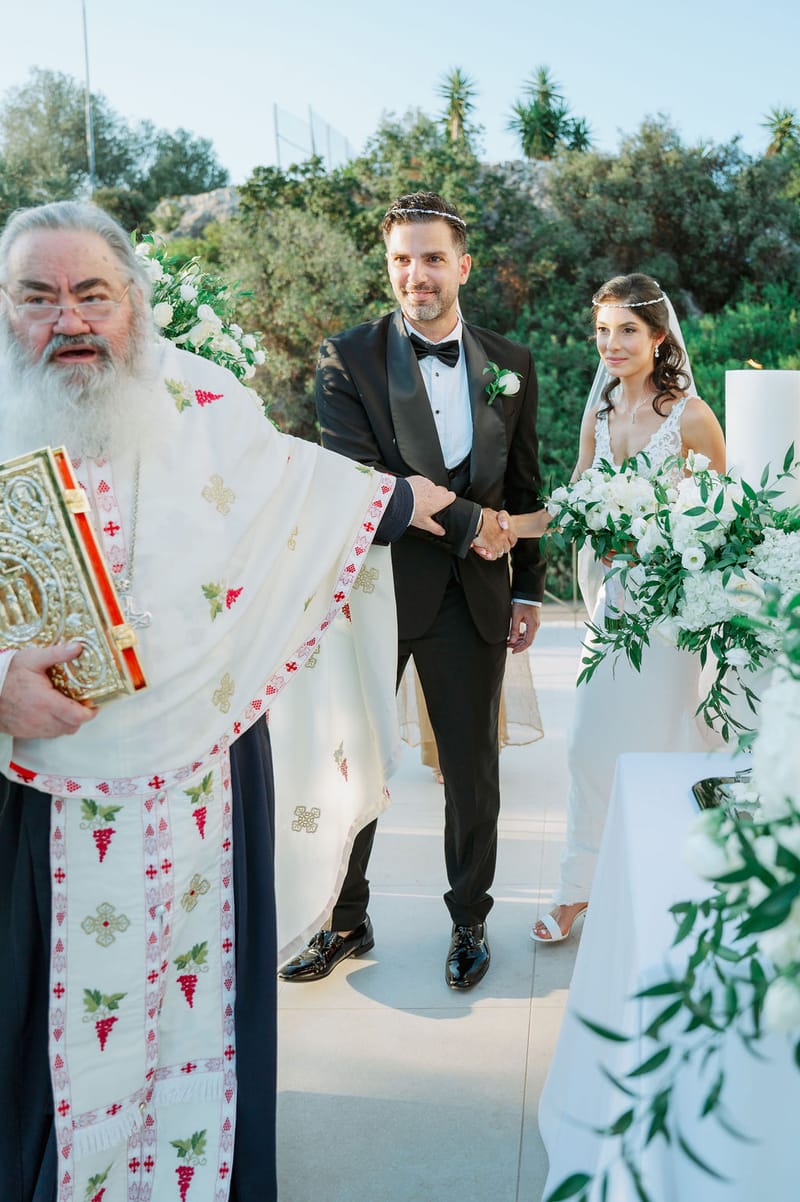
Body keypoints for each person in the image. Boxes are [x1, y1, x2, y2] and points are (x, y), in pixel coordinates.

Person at [0, 200, 455, 1202]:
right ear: (4, 307)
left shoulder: (203, 404)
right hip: (33, 794)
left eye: (93, 294)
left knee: (194, 1021)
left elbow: (301, 487)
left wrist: (418, 502)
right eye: (37, 295)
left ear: (135, 304)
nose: (68, 319)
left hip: (203, 775)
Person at [279, 191, 546, 991]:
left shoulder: (513, 363)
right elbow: (370, 482)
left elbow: (525, 482)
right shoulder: (346, 357)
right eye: (402, 258)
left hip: (474, 599)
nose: (416, 274)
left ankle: (469, 919)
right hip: (374, 592)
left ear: (462, 266)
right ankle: (344, 920)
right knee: (352, 760)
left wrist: (527, 589)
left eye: (432, 258)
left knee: (471, 770)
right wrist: (472, 522)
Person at [528, 272, 726, 944]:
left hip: (672, 613)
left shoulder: (692, 418)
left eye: (626, 331)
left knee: (667, 740)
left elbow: (724, 519)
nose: (610, 344)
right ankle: (576, 891)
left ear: (658, 337)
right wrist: (505, 525)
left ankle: (682, 879)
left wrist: (670, 544)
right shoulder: (602, 411)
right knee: (588, 745)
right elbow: (578, 499)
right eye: (602, 330)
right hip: (614, 607)